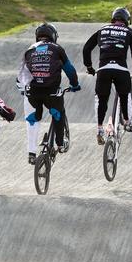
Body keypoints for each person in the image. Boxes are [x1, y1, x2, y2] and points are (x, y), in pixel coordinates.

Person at [17, 23, 81, 165]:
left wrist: (24, 91)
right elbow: (69, 69)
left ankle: (31, 153)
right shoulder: (57, 49)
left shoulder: (29, 50)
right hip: (51, 91)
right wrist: (75, 85)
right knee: (58, 114)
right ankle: (59, 143)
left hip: (32, 92)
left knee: (32, 120)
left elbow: (21, 75)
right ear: (53, 36)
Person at [82, 7, 132, 145]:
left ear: (113, 19)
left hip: (103, 69)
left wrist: (89, 67)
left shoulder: (102, 30)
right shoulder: (128, 32)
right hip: (121, 69)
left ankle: (99, 129)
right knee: (125, 95)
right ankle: (127, 121)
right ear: (127, 21)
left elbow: (86, 48)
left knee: (101, 99)